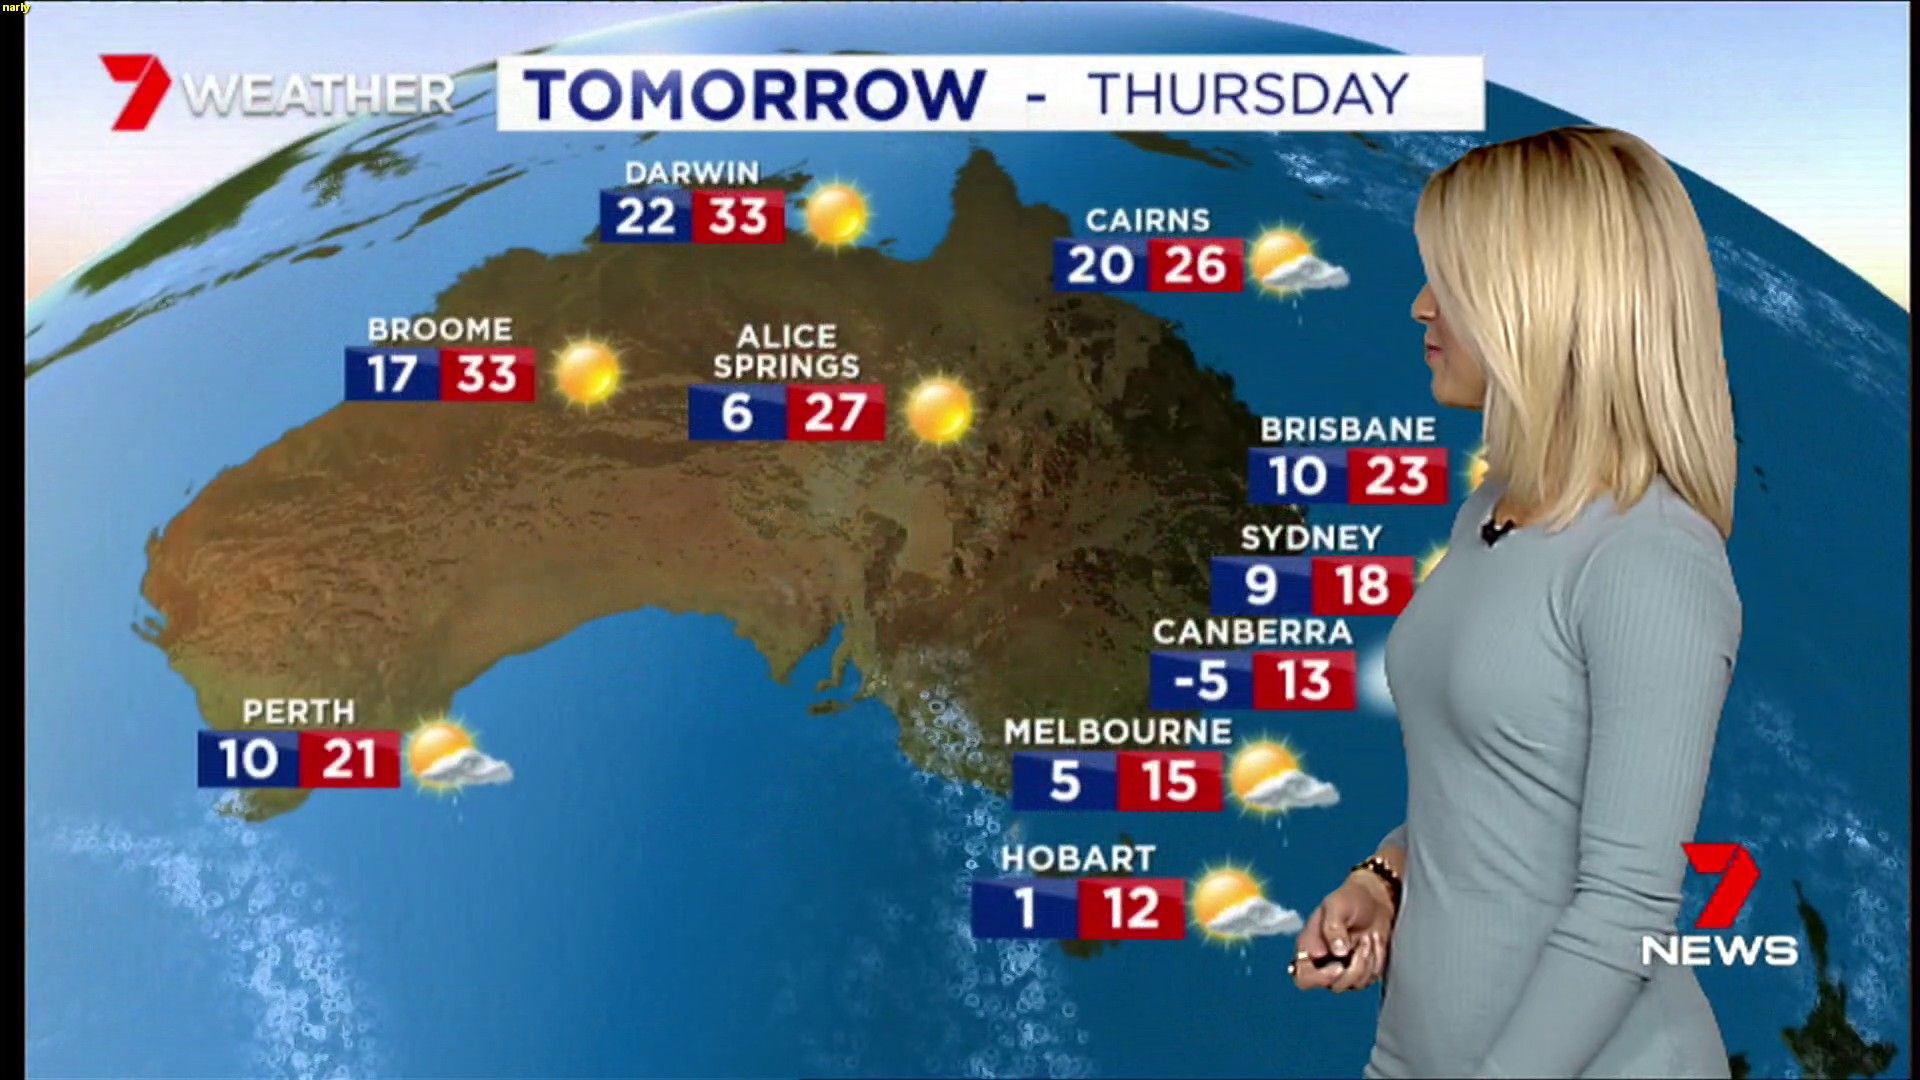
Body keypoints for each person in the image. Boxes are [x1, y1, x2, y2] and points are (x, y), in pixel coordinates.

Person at [1289, 126, 1744, 1079]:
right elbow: (1500, 797)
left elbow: (1626, 909)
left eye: (1450, 281)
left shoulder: (1651, 559)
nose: (1420, 306)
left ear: (1542, 303)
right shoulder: (1493, 514)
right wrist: (1385, 879)